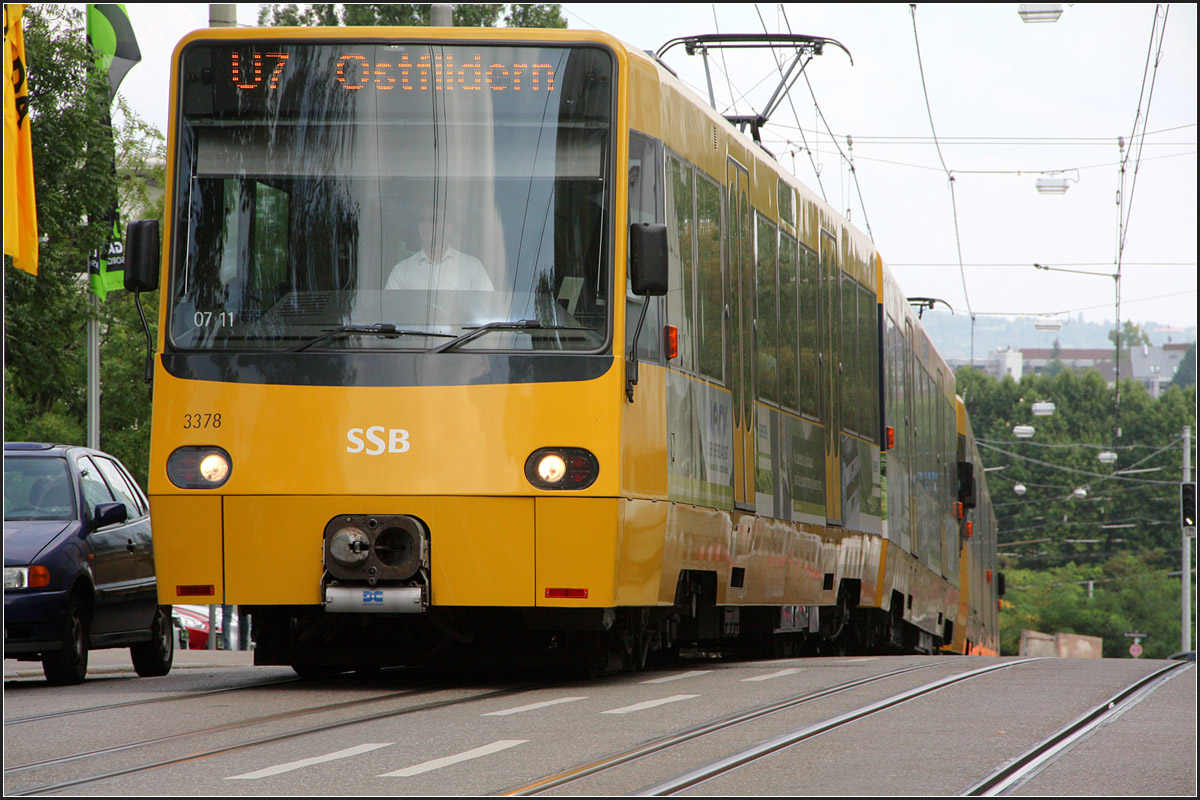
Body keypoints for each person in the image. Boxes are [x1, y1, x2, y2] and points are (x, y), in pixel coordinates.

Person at [385, 203, 494, 291]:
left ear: (449, 228)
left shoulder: (472, 267)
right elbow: (389, 313)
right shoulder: (401, 271)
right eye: (422, 220)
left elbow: (488, 310)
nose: (425, 225)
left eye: (433, 220)